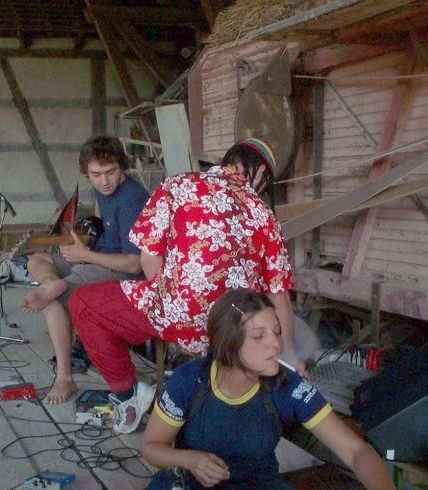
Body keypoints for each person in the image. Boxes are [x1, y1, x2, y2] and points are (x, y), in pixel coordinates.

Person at [69, 137, 305, 434]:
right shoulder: (266, 216)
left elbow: (148, 259)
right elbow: (279, 297)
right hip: (230, 332)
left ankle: (128, 395)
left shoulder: (179, 184)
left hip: (176, 317)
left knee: (83, 303)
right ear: (259, 173)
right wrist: (288, 353)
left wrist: (173, 306)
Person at [141, 289, 394, 489]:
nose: (276, 344)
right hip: (191, 483)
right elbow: (151, 447)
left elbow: (355, 451)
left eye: (277, 332)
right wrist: (190, 460)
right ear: (228, 344)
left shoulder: (288, 387)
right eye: (258, 336)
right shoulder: (189, 382)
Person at [20, 136, 150, 404]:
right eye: (96, 175)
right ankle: (50, 283)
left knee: (52, 301)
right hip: (99, 258)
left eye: (110, 172)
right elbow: (106, 232)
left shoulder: (132, 200)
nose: (104, 181)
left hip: (124, 273)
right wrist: (81, 248)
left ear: (122, 167)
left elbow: (135, 264)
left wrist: (85, 255)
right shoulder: (104, 191)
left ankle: (64, 378)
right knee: (37, 259)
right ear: (87, 172)